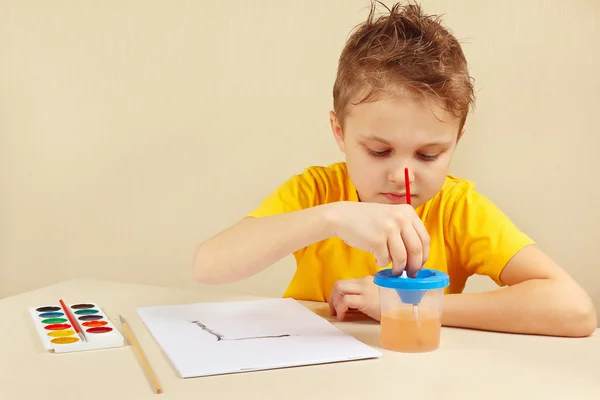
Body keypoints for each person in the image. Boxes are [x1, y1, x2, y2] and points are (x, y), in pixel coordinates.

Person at [193, 0, 596, 337]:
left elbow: (576, 311)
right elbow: (208, 266)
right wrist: (332, 217)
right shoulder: (317, 193)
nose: (402, 175)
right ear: (339, 131)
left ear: (458, 138)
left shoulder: (458, 210)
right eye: (379, 150)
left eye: (428, 155)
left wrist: (412, 305)